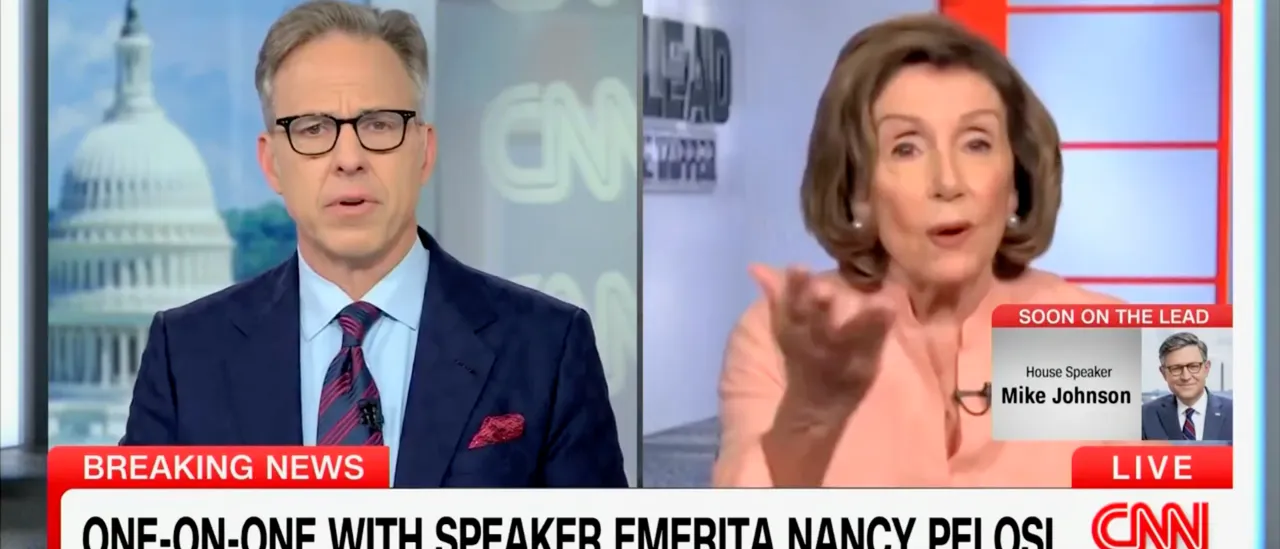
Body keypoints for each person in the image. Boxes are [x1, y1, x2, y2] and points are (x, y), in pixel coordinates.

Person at [121, 0, 627, 488]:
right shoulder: (186, 356)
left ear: (424, 151)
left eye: (379, 124)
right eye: (313, 128)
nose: (349, 158)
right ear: (272, 163)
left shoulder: (547, 348)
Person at [712, 14, 1128, 488]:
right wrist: (809, 418)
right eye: (906, 149)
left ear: (1016, 182)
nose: (948, 182)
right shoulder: (779, 338)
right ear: (857, 191)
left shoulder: (1095, 334)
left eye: (976, 143)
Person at [1141, 333, 1233, 443]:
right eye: (1176, 368)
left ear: (1206, 368)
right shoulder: (1145, 416)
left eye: (1193, 366)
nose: (1186, 377)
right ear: (1163, 373)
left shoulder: (1236, 413)